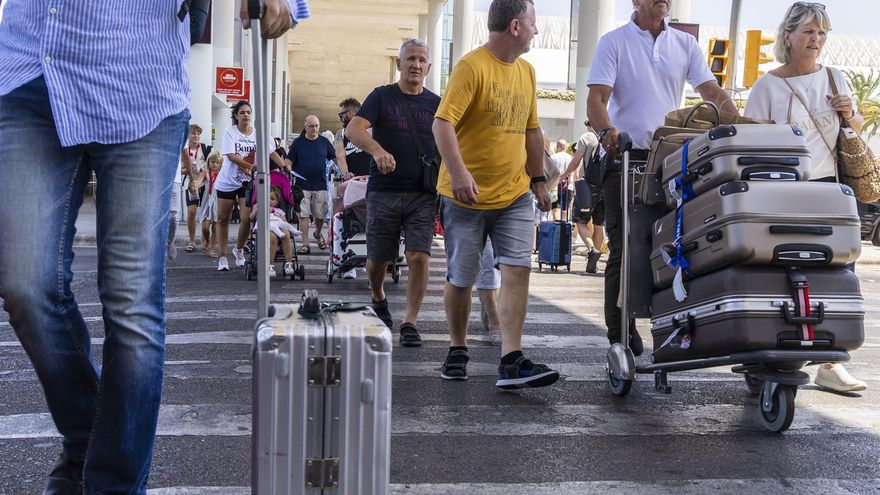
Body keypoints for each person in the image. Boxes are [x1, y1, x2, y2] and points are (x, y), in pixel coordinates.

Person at [0, 1, 301, 493]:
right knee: (23, 283)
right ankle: (90, 439)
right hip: (32, 66)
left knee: (131, 302)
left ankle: (112, 482)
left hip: (137, 78)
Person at [587, 0, 738, 356]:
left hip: (671, 161)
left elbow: (712, 94)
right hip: (626, 157)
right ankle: (619, 330)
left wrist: (739, 124)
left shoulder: (684, 45)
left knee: (674, 244)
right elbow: (597, 98)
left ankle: (670, 320)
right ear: (636, 2)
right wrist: (608, 132)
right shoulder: (614, 41)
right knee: (625, 245)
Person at [432, 0, 559, 389]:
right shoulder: (472, 67)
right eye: (534, 23)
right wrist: (459, 174)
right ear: (517, 26)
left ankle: (511, 358)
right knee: (463, 276)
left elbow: (532, 132)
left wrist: (538, 180)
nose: (537, 30)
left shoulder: (527, 72)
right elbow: (442, 124)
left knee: (518, 269)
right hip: (466, 196)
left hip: (514, 194)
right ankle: (457, 348)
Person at [743, 2, 866, 393]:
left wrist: (850, 114)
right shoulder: (768, 86)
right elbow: (752, 143)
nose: (816, 40)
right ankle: (765, 350)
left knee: (835, 270)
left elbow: (855, 129)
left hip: (828, 188)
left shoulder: (834, 78)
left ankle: (830, 360)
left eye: (822, 33)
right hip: (780, 192)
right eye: (809, 31)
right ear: (789, 36)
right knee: (778, 273)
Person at [346, 39, 441, 346]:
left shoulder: (437, 103)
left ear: (428, 67)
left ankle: (410, 322)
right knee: (377, 260)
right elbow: (354, 129)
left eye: (421, 60)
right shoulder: (382, 96)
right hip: (384, 191)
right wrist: (377, 150)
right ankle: (378, 295)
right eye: (410, 59)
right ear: (399, 65)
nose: (416, 64)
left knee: (418, 256)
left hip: (422, 193)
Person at [214, 101, 257, 271]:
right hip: (227, 181)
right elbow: (231, 156)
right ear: (236, 116)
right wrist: (251, 167)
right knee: (223, 219)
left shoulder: (256, 134)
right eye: (242, 112)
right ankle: (222, 257)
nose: (246, 115)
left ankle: (239, 249)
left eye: (248, 112)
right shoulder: (230, 132)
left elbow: (266, 153)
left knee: (247, 218)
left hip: (246, 182)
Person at [288, 115, 337, 254]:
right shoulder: (298, 143)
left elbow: (335, 158)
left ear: (319, 127)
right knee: (303, 215)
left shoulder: (324, 142)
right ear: (305, 127)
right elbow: (289, 160)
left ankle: (317, 233)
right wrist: (288, 167)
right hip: (302, 185)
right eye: (311, 126)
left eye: (316, 126)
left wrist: (346, 171)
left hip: (320, 184)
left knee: (320, 215)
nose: (314, 128)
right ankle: (305, 244)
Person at [561, 121, 604, 273]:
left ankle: (592, 250)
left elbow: (576, 161)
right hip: (605, 186)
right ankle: (595, 260)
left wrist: (565, 174)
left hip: (588, 186)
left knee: (580, 220)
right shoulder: (607, 136)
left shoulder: (587, 137)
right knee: (599, 224)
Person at [249, 187, 299, 278]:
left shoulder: (279, 211)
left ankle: (289, 263)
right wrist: (256, 210)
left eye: (272, 199)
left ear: (276, 202)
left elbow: (285, 223)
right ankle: (270, 265)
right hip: (265, 228)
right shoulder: (258, 207)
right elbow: (251, 218)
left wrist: (279, 218)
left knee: (286, 234)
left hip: (279, 227)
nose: (269, 201)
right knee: (272, 237)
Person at [184, 124, 210, 253]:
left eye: (198, 134)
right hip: (189, 184)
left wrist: (203, 171)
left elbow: (211, 165)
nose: (196, 136)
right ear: (188, 135)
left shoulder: (205, 149)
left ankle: (205, 242)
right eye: (193, 133)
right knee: (192, 212)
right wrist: (189, 169)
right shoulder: (184, 150)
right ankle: (192, 241)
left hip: (204, 184)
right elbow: (179, 169)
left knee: (205, 214)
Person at [336, 97, 373, 178]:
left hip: (370, 179)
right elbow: (340, 157)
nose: (340, 118)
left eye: (341, 114)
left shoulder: (370, 130)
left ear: (349, 113)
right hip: (352, 180)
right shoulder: (341, 133)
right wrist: (346, 173)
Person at [200, 150, 224, 258]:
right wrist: (194, 183)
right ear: (209, 162)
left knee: (215, 227)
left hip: (217, 201)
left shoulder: (222, 174)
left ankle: (213, 249)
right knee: (205, 227)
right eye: (213, 162)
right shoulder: (205, 173)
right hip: (207, 201)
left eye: (217, 162)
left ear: (220, 164)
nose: (215, 164)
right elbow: (198, 181)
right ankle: (208, 240)